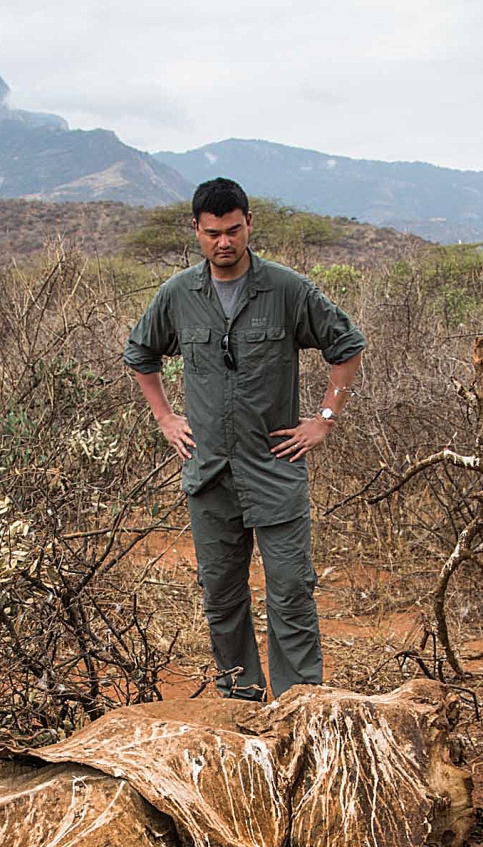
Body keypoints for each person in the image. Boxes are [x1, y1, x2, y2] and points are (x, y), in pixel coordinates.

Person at [124, 176, 366, 702]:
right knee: (222, 596)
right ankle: (240, 701)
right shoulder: (179, 294)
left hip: (274, 468)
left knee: (290, 593)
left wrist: (323, 419)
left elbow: (346, 346)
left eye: (234, 230)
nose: (224, 242)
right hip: (209, 472)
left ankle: (301, 707)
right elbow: (140, 355)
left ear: (249, 223)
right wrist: (166, 418)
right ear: (197, 230)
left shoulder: (287, 289)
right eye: (213, 233)